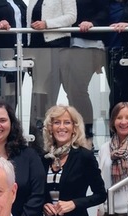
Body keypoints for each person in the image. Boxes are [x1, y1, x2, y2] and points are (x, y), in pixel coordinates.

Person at [24, 0, 76, 148]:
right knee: (39, 95)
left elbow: (71, 16)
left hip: (57, 47)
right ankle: (38, 142)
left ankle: (54, 141)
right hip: (37, 49)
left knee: (52, 94)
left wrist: (47, 24)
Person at [59, 0, 108, 139]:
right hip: (66, 45)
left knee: (78, 90)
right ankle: (77, 132)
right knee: (71, 92)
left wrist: (92, 23)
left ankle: (87, 134)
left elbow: (105, 10)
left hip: (88, 44)